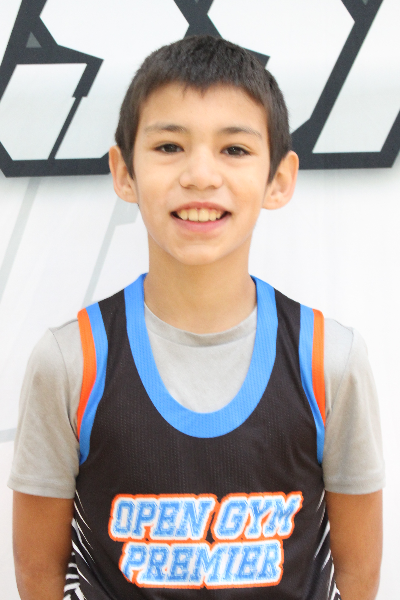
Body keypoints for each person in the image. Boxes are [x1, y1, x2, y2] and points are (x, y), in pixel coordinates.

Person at [9, 35, 384, 600]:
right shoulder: (71, 361)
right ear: (124, 172)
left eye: (234, 149)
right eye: (169, 146)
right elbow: (38, 574)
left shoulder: (328, 359)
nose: (201, 175)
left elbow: (357, 576)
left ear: (279, 179)